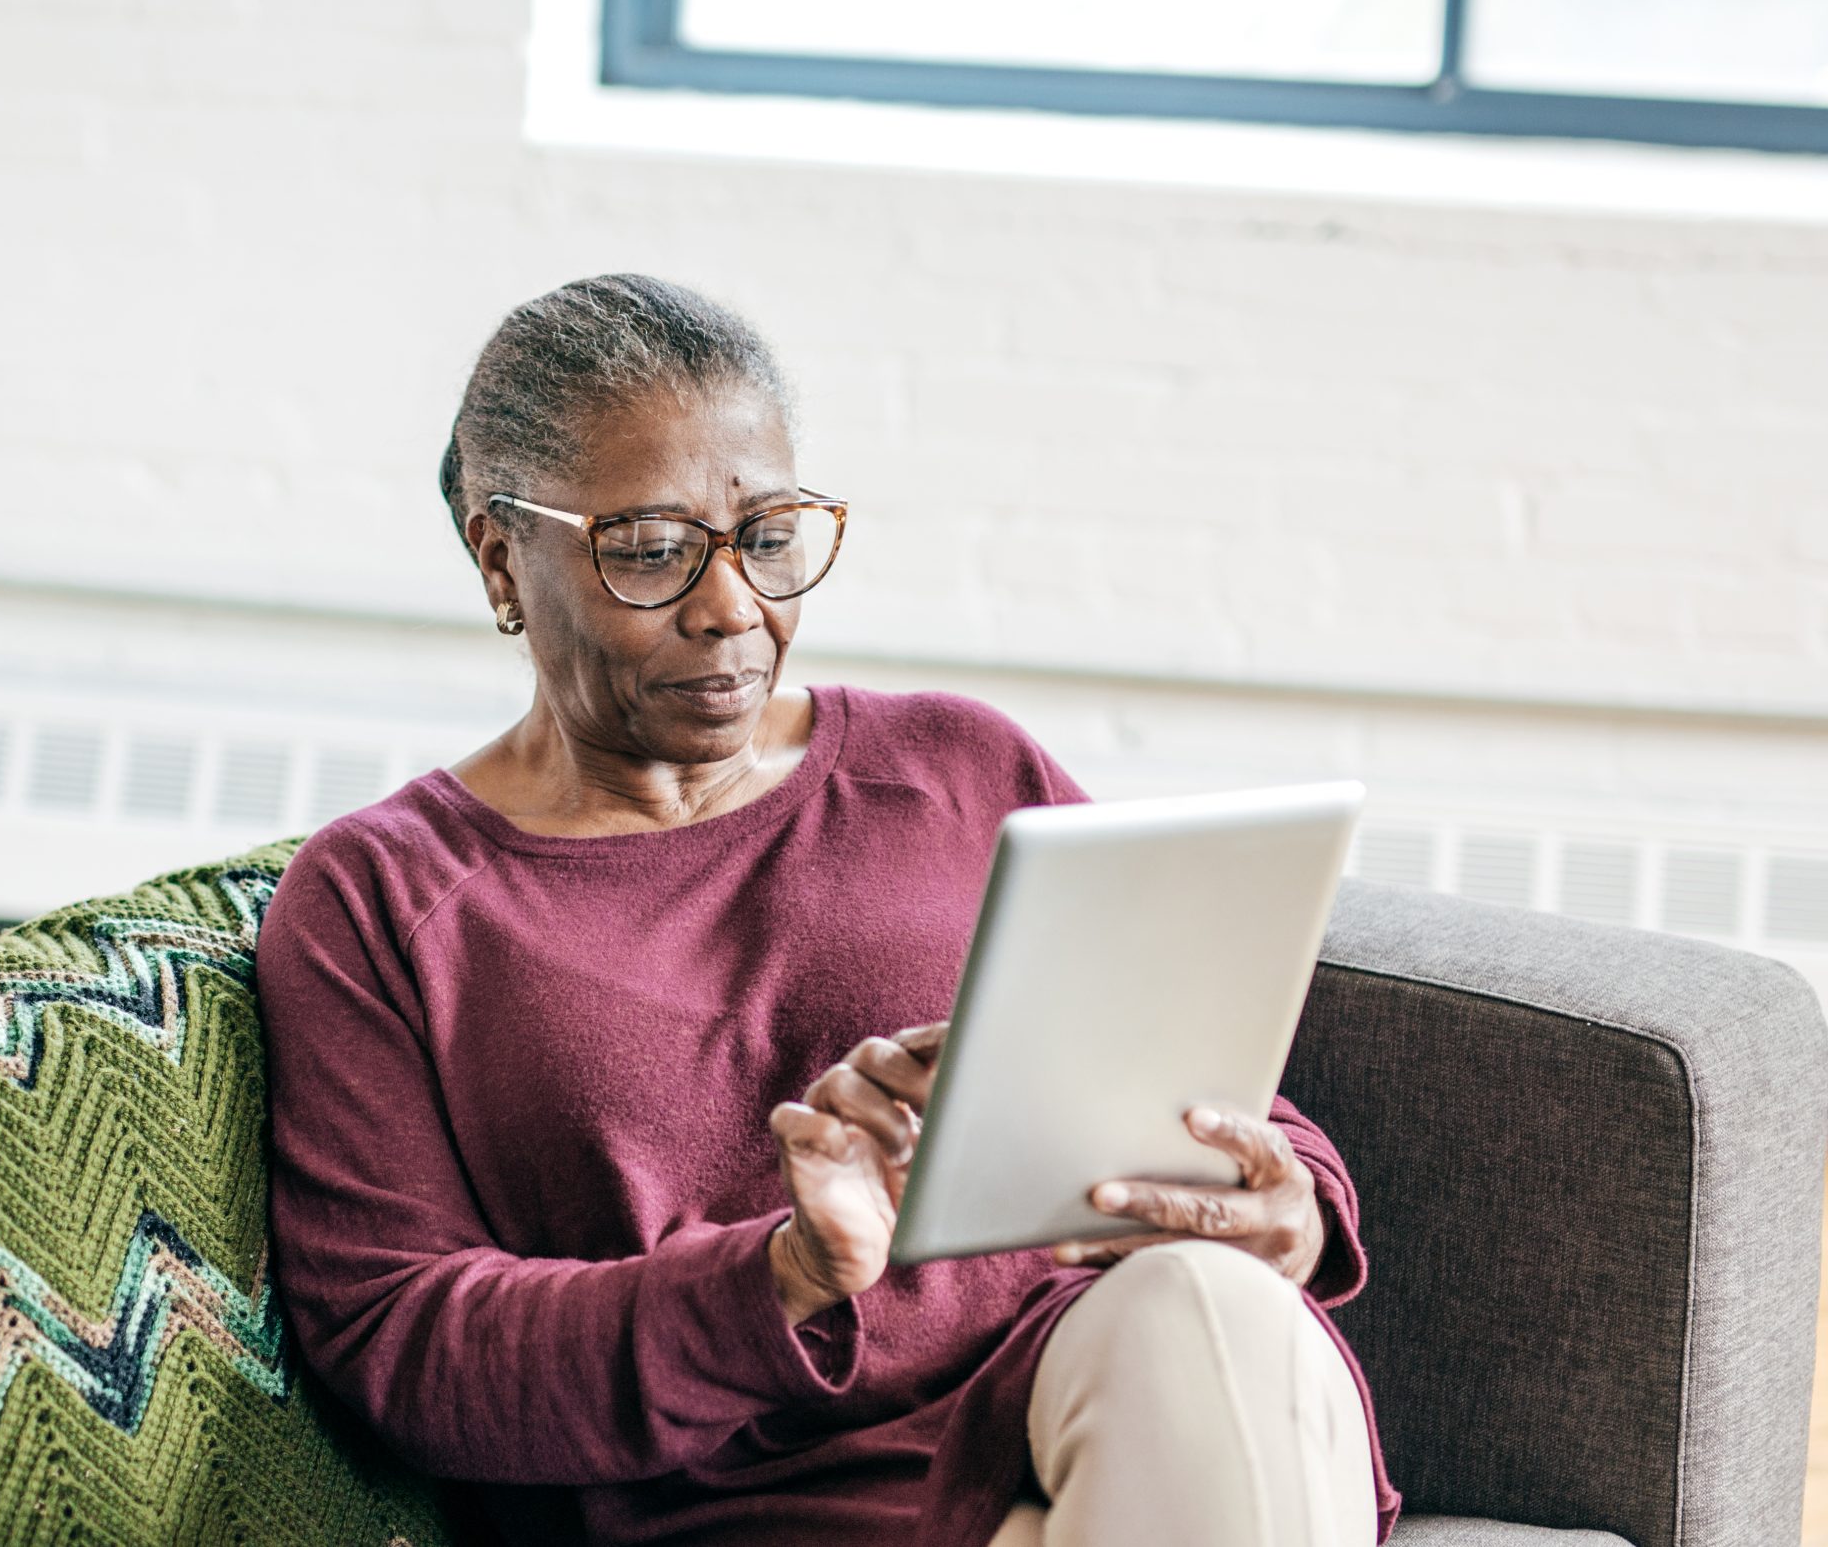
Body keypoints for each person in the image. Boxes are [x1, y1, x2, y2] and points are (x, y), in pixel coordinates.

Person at [252, 274, 1400, 1547]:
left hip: (1104, 1410)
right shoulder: (381, 899)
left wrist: (1288, 1202)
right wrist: (785, 1274)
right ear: (499, 557)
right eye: (649, 551)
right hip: (765, 1511)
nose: (732, 608)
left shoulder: (963, 770)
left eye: (769, 537)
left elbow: (1216, 1102)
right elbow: (400, 1343)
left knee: (1214, 1306)